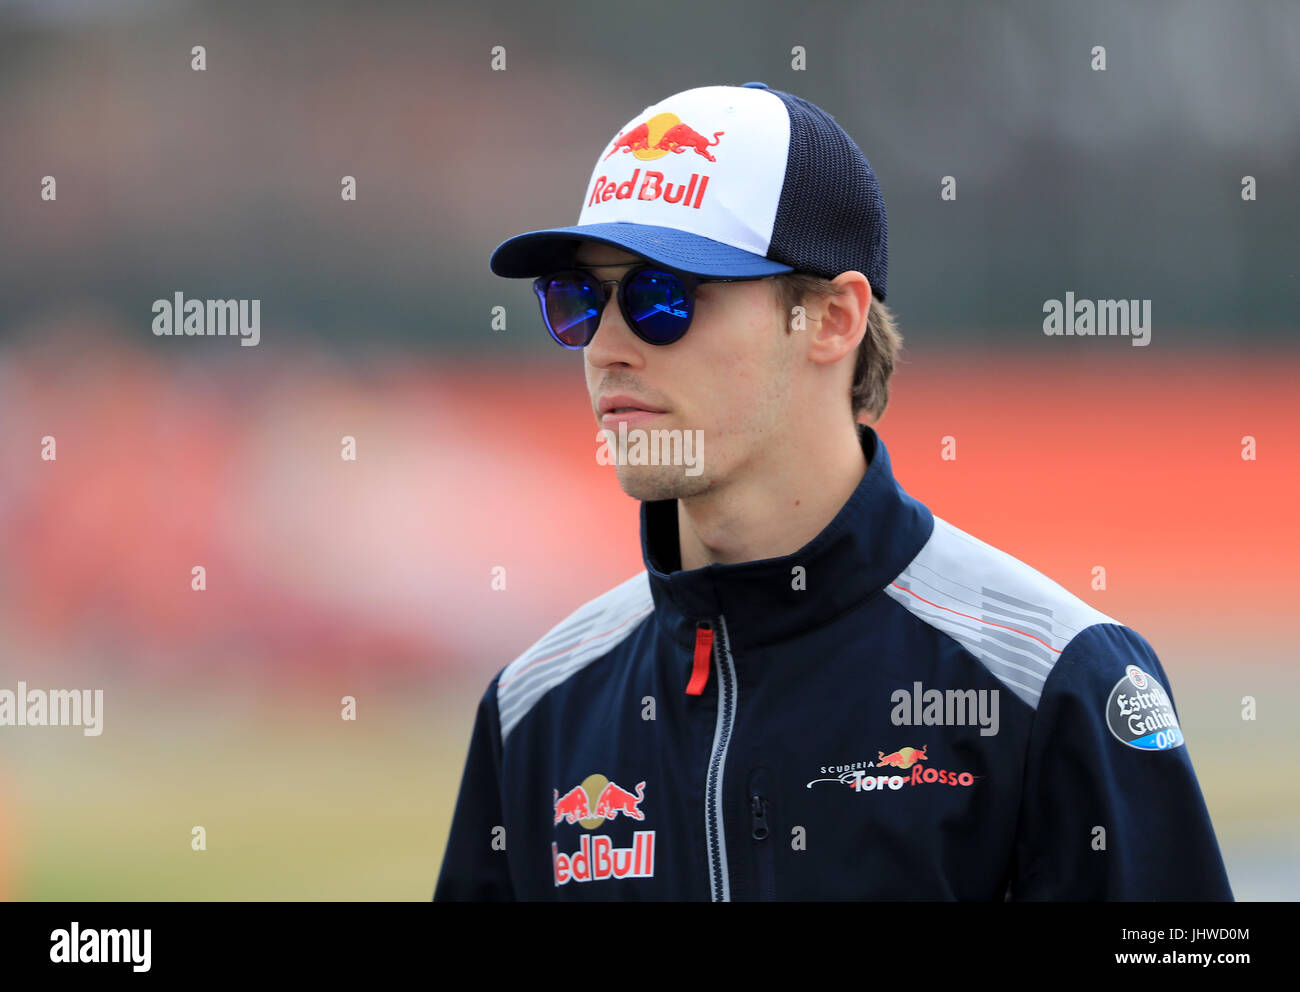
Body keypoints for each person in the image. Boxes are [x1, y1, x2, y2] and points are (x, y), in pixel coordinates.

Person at [434, 82, 1233, 900]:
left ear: (832, 318)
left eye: (660, 298)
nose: (605, 346)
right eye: (575, 300)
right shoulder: (533, 711)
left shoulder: (1055, 679)